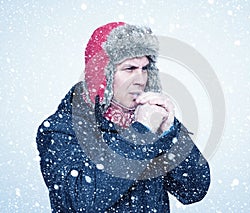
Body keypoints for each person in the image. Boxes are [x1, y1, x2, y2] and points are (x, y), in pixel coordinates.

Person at [36, 22, 210, 213]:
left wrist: (170, 133)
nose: (141, 79)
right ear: (102, 75)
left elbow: (194, 190)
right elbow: (81, 203)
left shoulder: (150, 117)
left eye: (145, 68)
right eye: (130, 69)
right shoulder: (61, 129)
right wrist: (141, 132)